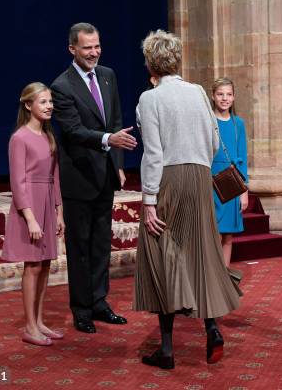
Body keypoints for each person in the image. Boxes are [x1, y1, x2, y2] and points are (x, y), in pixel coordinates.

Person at [134, 29, 241, 369]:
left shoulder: (150, 98)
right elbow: (212, 141)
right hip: (200, 176)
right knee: (202, 252)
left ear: (151, 62)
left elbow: (152, 153)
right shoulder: (197, 92)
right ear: (178, 59)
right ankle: (211, 328)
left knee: (161, 253)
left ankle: (166, 350)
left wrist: (149, 200)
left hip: (168, 178)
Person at [51, 22, 137, 334]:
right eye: (87, 47)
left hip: (105, 177)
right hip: (79, 178)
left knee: (101, 244)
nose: (94, 52)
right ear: (72, 49)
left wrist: (117, 163)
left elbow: (115, 120)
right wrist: (107, 141)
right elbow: (73, 132)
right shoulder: (61, 86)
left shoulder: (108, 75)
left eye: (97, 45)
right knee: (80, 247)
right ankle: (82, 308)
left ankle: (100, 302)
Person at [2, 82, 65, 346]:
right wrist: (30, 218)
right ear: (28, 105)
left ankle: (39, 321)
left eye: (50, 101)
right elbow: (17, 182)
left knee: (46, 263)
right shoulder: (19, 138)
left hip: (48, 203)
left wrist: (59, 212)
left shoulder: (49, 136)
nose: (49, 106)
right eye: (43, 102)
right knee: (33, 265)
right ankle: (29, 327)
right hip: (29, 208)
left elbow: (55, 177)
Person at [210, 78, 249, 267]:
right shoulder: (208, 121)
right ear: (213, 96)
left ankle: (225, 278)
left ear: (233, 97)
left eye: (228, 94)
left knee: (228, 235)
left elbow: (243, 157)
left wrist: (244, 193)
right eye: (220, 94)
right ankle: (213, 277)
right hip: (212, 180)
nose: (224, 98)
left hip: (232, 183)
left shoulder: (238, 124)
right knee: (214, 233)